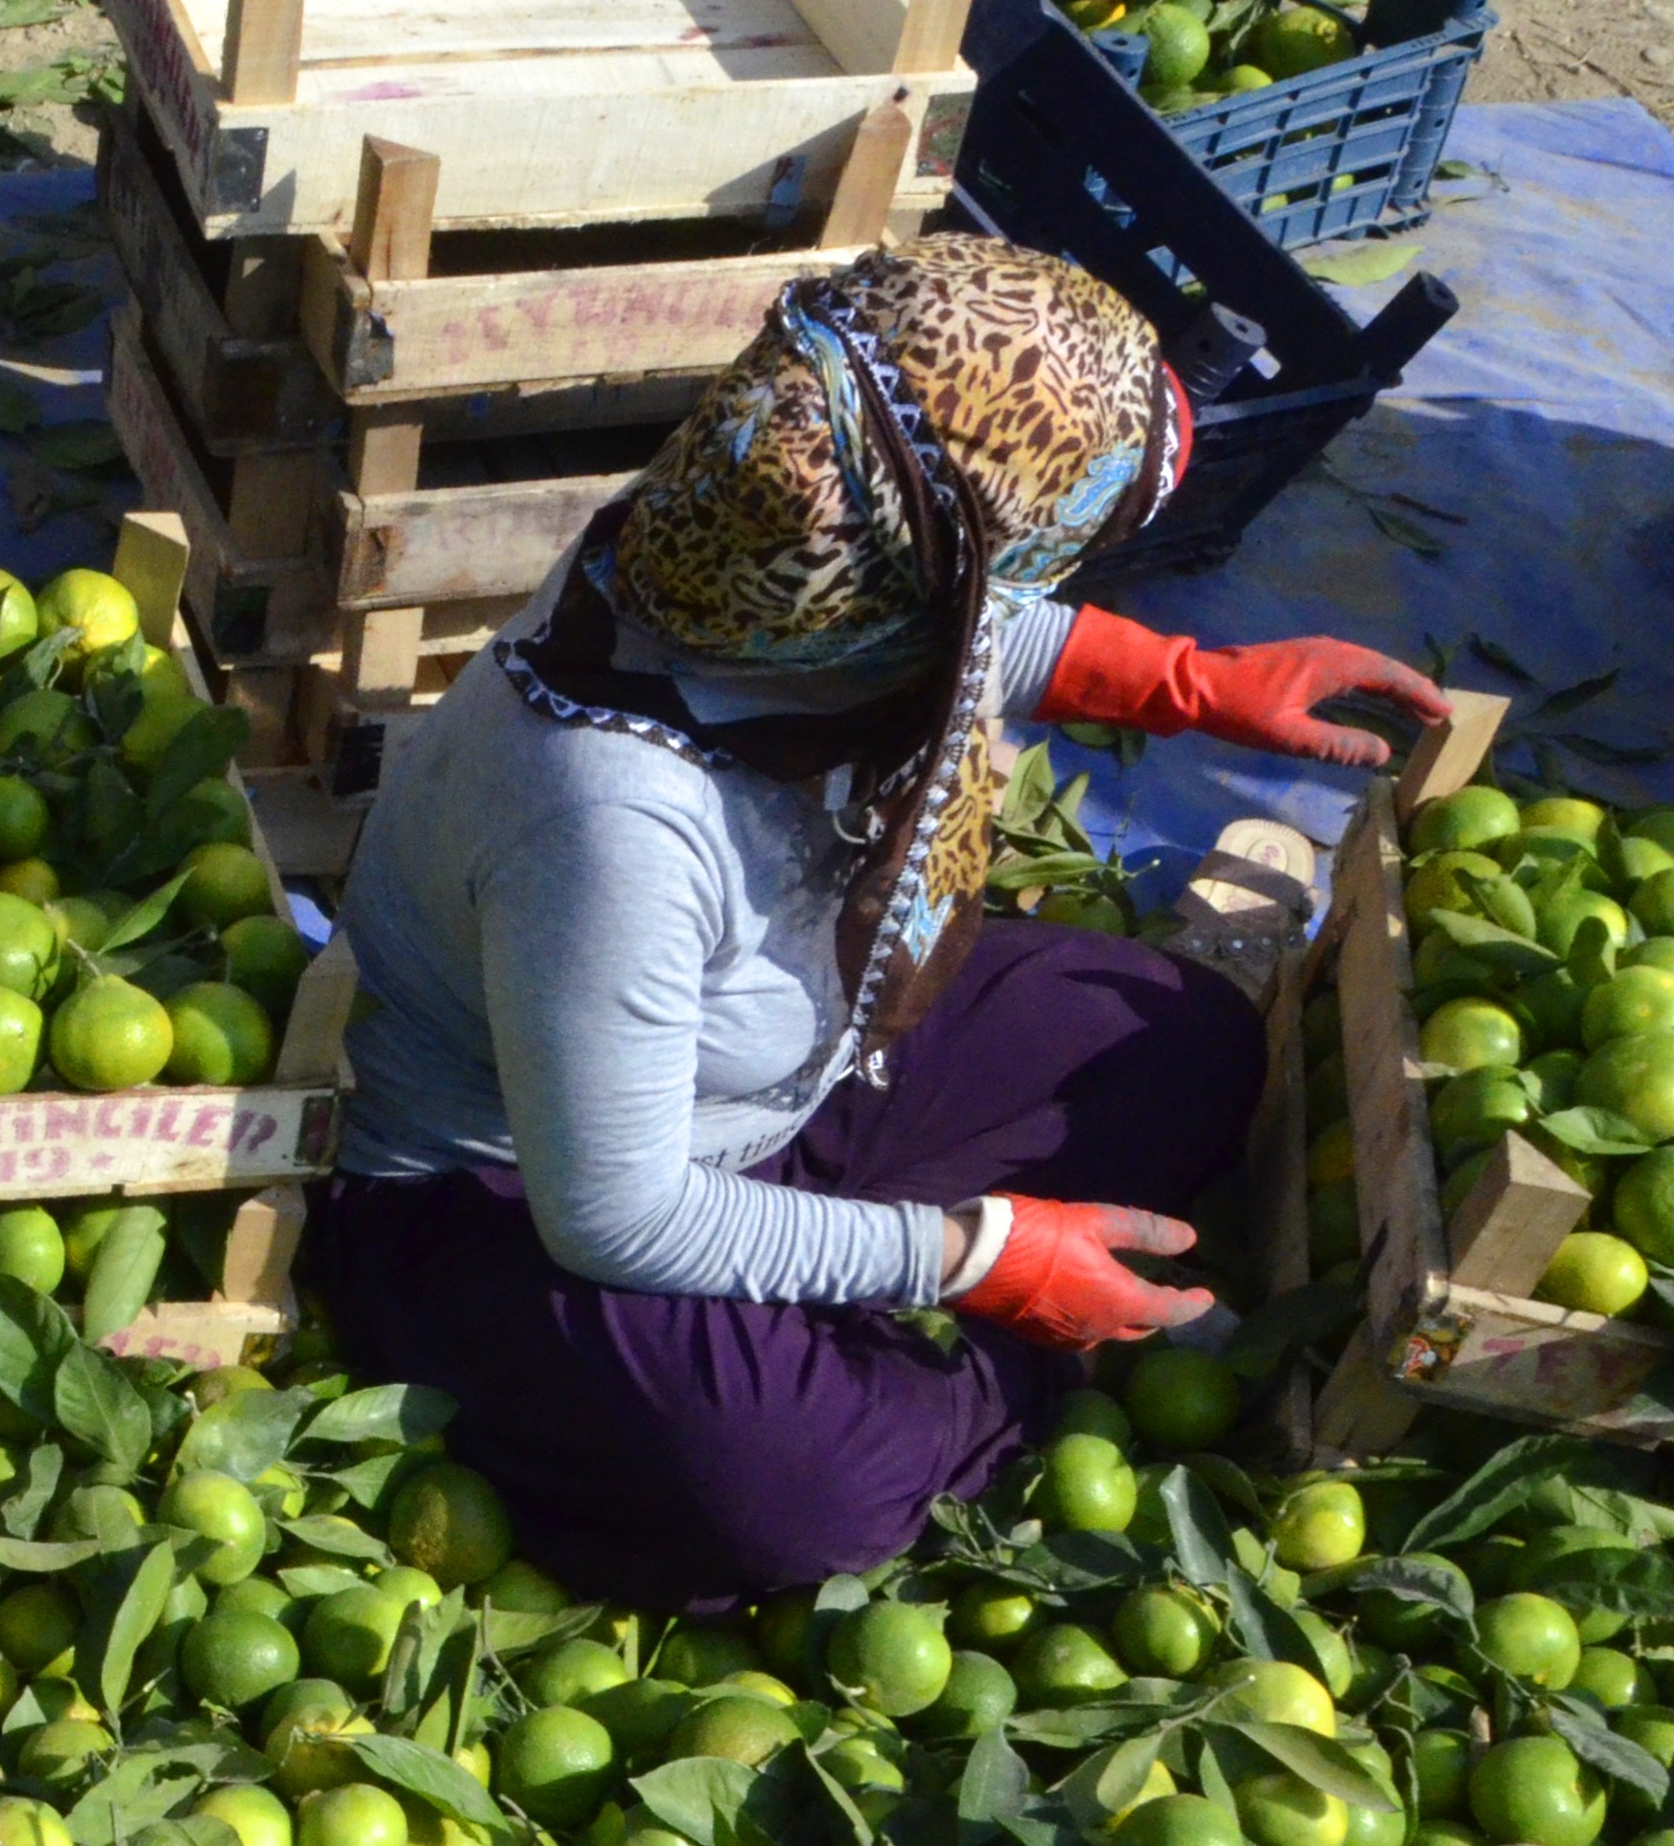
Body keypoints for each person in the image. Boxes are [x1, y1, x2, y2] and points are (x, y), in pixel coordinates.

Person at [309, 237, 1449, 1606]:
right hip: (510, 1202)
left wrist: (1195, 684)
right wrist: (984, 1258)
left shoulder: (765, 553)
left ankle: (858, 1285)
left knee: (1183, 1041)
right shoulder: (606, 823)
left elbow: (970, 630)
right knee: (792, 1492)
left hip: (780, 1080)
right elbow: (613, 1215)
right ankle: (971, 1378)